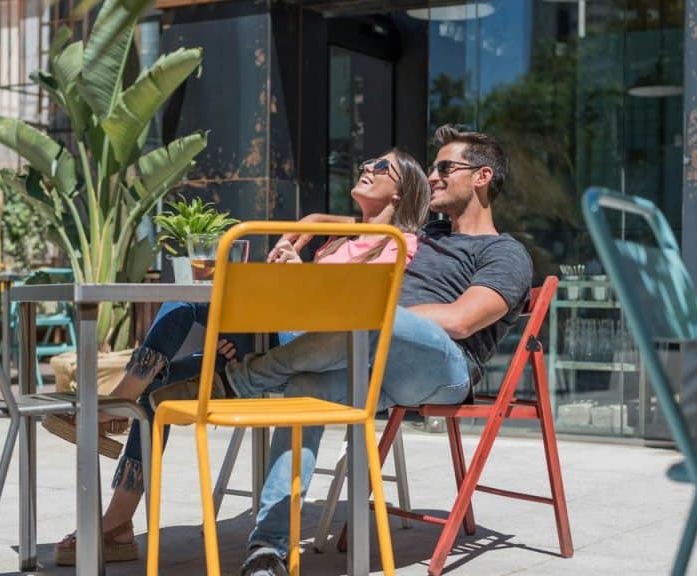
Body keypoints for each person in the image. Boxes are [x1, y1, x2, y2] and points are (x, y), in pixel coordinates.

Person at [53, 148, 432, 566]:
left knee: (186, 303)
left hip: (307, 356)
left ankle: (112, 406)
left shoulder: (399, 244)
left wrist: (299, 276)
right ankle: (117, 524)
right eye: (366, 163)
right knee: (156, 393)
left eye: (380, 167)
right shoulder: (340, 239)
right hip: (268, 339)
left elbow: (350, 313)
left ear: (401, 192)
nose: (365, 169)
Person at [229, 125, 534, 576]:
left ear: (483, 177)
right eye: (433, 167)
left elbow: (462, 320)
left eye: (445, 167)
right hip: (377, 360)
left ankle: (241, 380)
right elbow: (364, 223)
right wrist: (313, 223)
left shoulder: (505, 253)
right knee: (305, 390)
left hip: (443, 368)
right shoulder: (425, 233)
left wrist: (377, 311)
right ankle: (267, 549)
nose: (432, 176)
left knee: (370, 314)